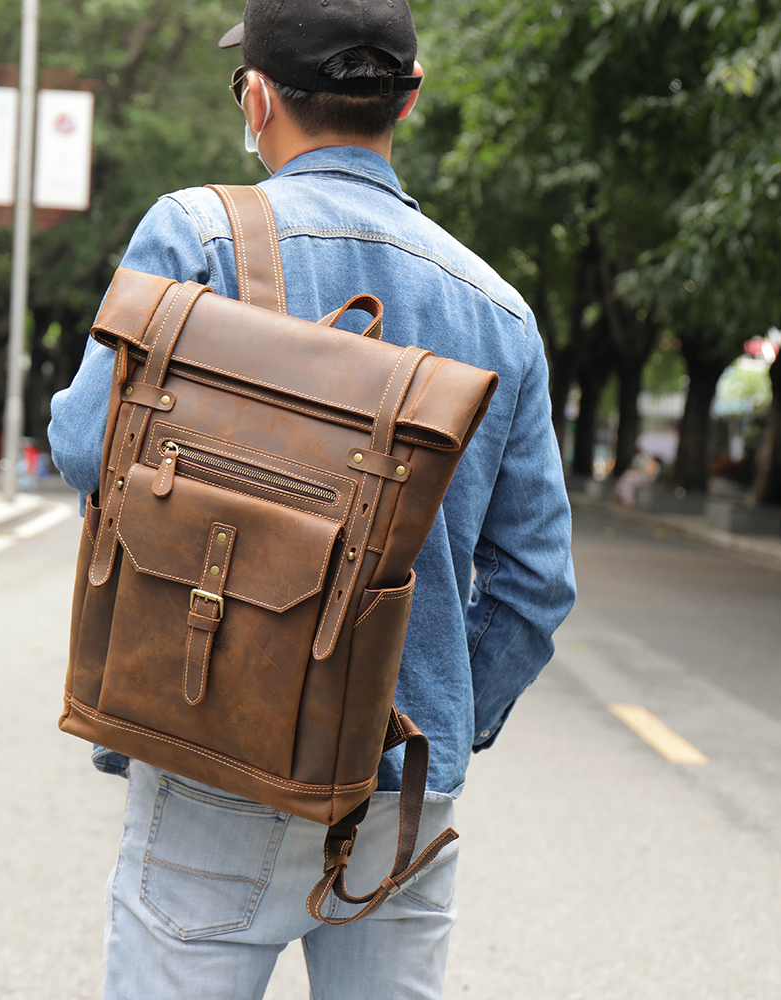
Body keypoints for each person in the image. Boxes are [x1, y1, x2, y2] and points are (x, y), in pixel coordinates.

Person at [48, 1, 576, 996]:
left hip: (215, 749)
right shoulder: (501, 310)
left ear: (256, 98)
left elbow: (85, 448)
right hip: (401, 796)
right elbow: (535, 586)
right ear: (407, 102)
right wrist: (441, 717)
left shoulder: (195, 233)